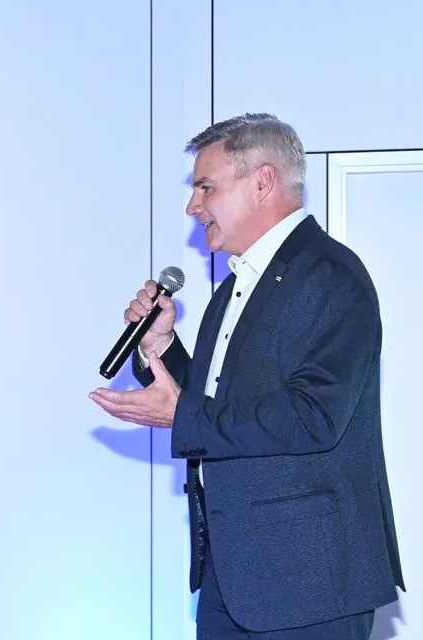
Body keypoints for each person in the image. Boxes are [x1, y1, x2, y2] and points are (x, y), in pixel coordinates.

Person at [89, 113, 404, 640]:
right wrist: (160, 346)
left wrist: (181, 414)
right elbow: (217, 403)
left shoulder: (329, 274)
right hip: (235, 579)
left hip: (308, 586)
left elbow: (312, 416)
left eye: (206, 187)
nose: (193, 207)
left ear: (263, 182)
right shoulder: (235, 289)